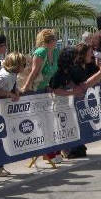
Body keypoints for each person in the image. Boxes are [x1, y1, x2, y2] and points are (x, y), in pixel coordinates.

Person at [22, 29, 60, 163]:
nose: (56, 41)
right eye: (55, 39)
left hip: (45, 88)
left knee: (50, 119)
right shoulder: (41, 52)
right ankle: (46, 152)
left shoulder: (55, 52)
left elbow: (53, 71)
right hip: (36, 89)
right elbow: (34, 72)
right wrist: (26, 88)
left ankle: (51, 150)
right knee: (42, 121)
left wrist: (50, 84)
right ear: (49, 41)